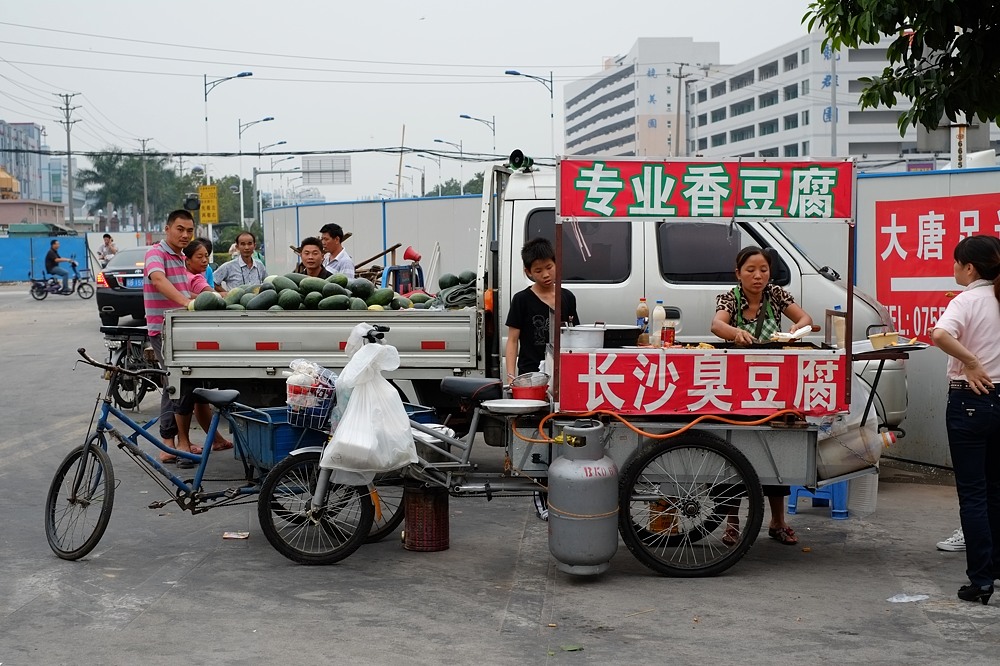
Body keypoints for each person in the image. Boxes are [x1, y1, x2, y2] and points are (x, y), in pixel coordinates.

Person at [711, 246, 813, 546]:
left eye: (763, 270)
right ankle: (732, 522)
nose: (758, 276)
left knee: (776, 449)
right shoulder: (730, 297)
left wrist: (798, 327)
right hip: (738, 385)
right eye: (751, 270)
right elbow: (716, 325)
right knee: (734, 450)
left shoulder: (777, 295)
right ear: (738, 273)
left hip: (773, 385)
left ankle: (778, 521)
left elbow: (805, 318)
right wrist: (734, 333)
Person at [929, 234, 1000, 605]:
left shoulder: (968, 299)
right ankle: (995, 567)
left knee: (972, 493)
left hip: (971, 401)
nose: (954, 268)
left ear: (969, 267)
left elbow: (939, 333)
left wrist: (971, 362)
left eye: (957, 263)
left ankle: (981, 581)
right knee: (994, 489)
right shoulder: (992, 297)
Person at [504, 237, 579, 521]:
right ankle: (542, 494)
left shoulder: (567, 297)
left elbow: (574, 335)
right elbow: (512, 341)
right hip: (532, 379)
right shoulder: (521, 300)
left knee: (563, 434)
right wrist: (512, 377)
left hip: (563, 377)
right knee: (540, 436)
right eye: (538, 270)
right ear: (528, 273)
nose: (546, 274)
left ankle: (565, 493)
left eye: (549, 267)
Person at [144, 210, 200, 464]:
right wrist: (187, 303)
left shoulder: (179, 257)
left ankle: (174, 442)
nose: (185, 234)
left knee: (176, 382)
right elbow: (158, 280)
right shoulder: (156, 253)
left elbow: (191, 283)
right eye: (180, 229)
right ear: (167, 228)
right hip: (163, 330)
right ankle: (168, 442)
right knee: (174, 384)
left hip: (180, 330)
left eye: (189, 230)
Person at [180, 238, 233, 455]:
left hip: (192, 342)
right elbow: (212, 296)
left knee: (197, 398)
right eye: (200, 257)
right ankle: (181, 445)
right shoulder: (194, 279)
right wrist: (236, 295)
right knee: (187, 397)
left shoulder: (186, 277)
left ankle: (213, 439)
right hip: (192, 344)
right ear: (187, 259)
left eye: (206, 257)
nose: (205, 261)